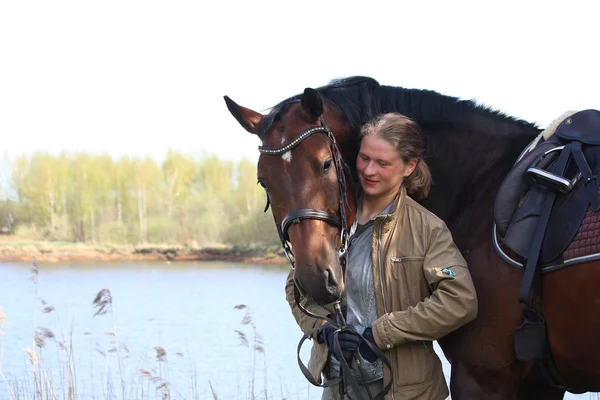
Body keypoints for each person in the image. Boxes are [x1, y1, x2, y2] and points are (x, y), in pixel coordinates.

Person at [285, 112, 478, 400]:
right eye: (364, 158)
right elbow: (297, 288)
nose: (369, 171)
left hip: (407, 393)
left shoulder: (428, 229)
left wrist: (381, 333)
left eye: (383, 163)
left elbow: (460, 300)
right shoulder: (333, 220)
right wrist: (324, 330)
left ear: (409, 166)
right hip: (338, 388)